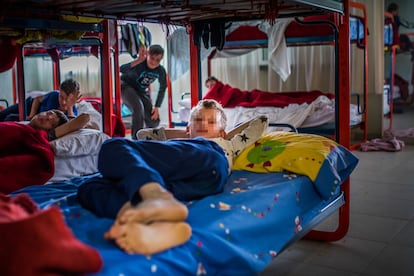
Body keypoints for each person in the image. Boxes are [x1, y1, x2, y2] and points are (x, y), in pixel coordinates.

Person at [77, 99, 268, 255]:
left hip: (209, 159)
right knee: (90, 186)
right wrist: (186, 133)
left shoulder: (224, 144)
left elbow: (260, 121)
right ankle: (145, 220)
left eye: (211, 122)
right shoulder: (179, 143)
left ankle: (156, 198)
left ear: (222, 132)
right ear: (188, 126)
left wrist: (219, 136)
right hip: (181, 182)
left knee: (113, 146)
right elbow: (143, 134)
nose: (203, 124)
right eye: (198, 120)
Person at [120, 44, 167, 139]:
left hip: (140, 91)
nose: (154, 62)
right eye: (152, 58)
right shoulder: (140, 63)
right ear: (147, 55)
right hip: (126, 86)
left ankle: (146, 133)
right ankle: (136, 139)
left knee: (154, 120)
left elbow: (163, 87)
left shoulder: (160, 70)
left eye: (157, 60)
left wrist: (157, 106)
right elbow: (121, 69)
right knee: (138, 107)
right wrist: (138, 60)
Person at [0, 78, 81, 122]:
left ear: (73, 99)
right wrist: (32, 115)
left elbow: (70, 125)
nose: (63, 102)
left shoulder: (72, 112)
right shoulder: (54, 95)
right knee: (1, 114)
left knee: (9, 118)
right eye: (61, 97)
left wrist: (70, 107)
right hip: (29, 106)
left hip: (36, 119)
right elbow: (37, 100)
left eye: (67, 99)